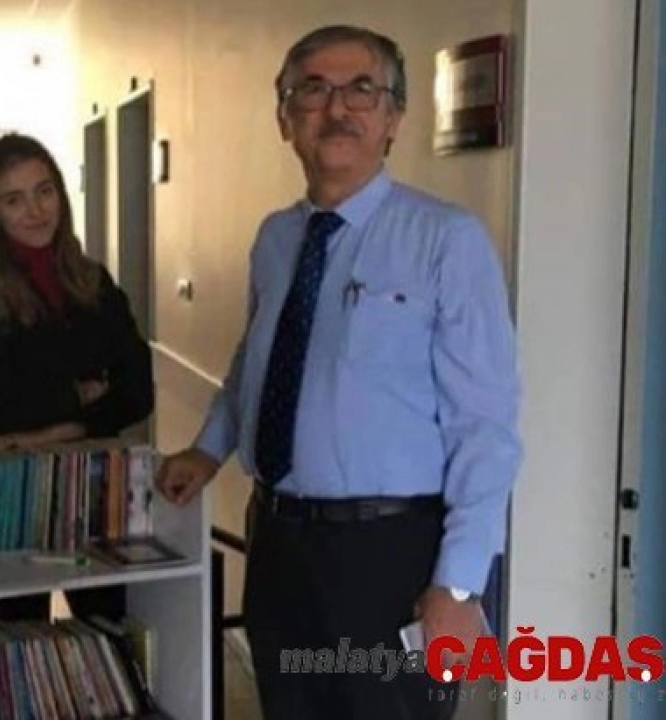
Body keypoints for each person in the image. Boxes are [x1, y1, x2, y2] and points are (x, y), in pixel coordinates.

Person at [155, 25, 521, 720]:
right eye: (314, 89)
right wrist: (209, 447)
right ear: (284, 118)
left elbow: (486, 427)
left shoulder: (446, 241)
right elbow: (259, 359)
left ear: (393, 117)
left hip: (392, 557)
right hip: (279, 545)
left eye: (362, 90)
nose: (337, 107)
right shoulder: (276, 238)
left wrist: (459, 585)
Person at [0, 133, 154, 622]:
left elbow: (138, 392)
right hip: (12, 484)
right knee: (22, 635)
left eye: (44, 191)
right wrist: (86, 391)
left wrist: (54, 428)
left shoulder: (93, 280)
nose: (35, 210)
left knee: (108, 626)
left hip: (95, 479)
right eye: (14, 199)